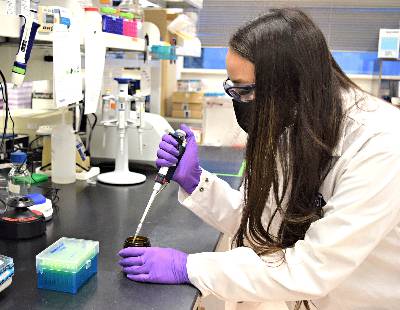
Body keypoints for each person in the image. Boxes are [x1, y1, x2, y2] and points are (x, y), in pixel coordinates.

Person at [118, 8, 400, 310]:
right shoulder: (293, 120)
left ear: (291, 84)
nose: (239, 102)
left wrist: (189, 267)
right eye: (233, 88)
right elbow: (262, 221)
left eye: (245, 91)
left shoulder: (380, 144)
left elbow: (312, 268)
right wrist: (196, 180)